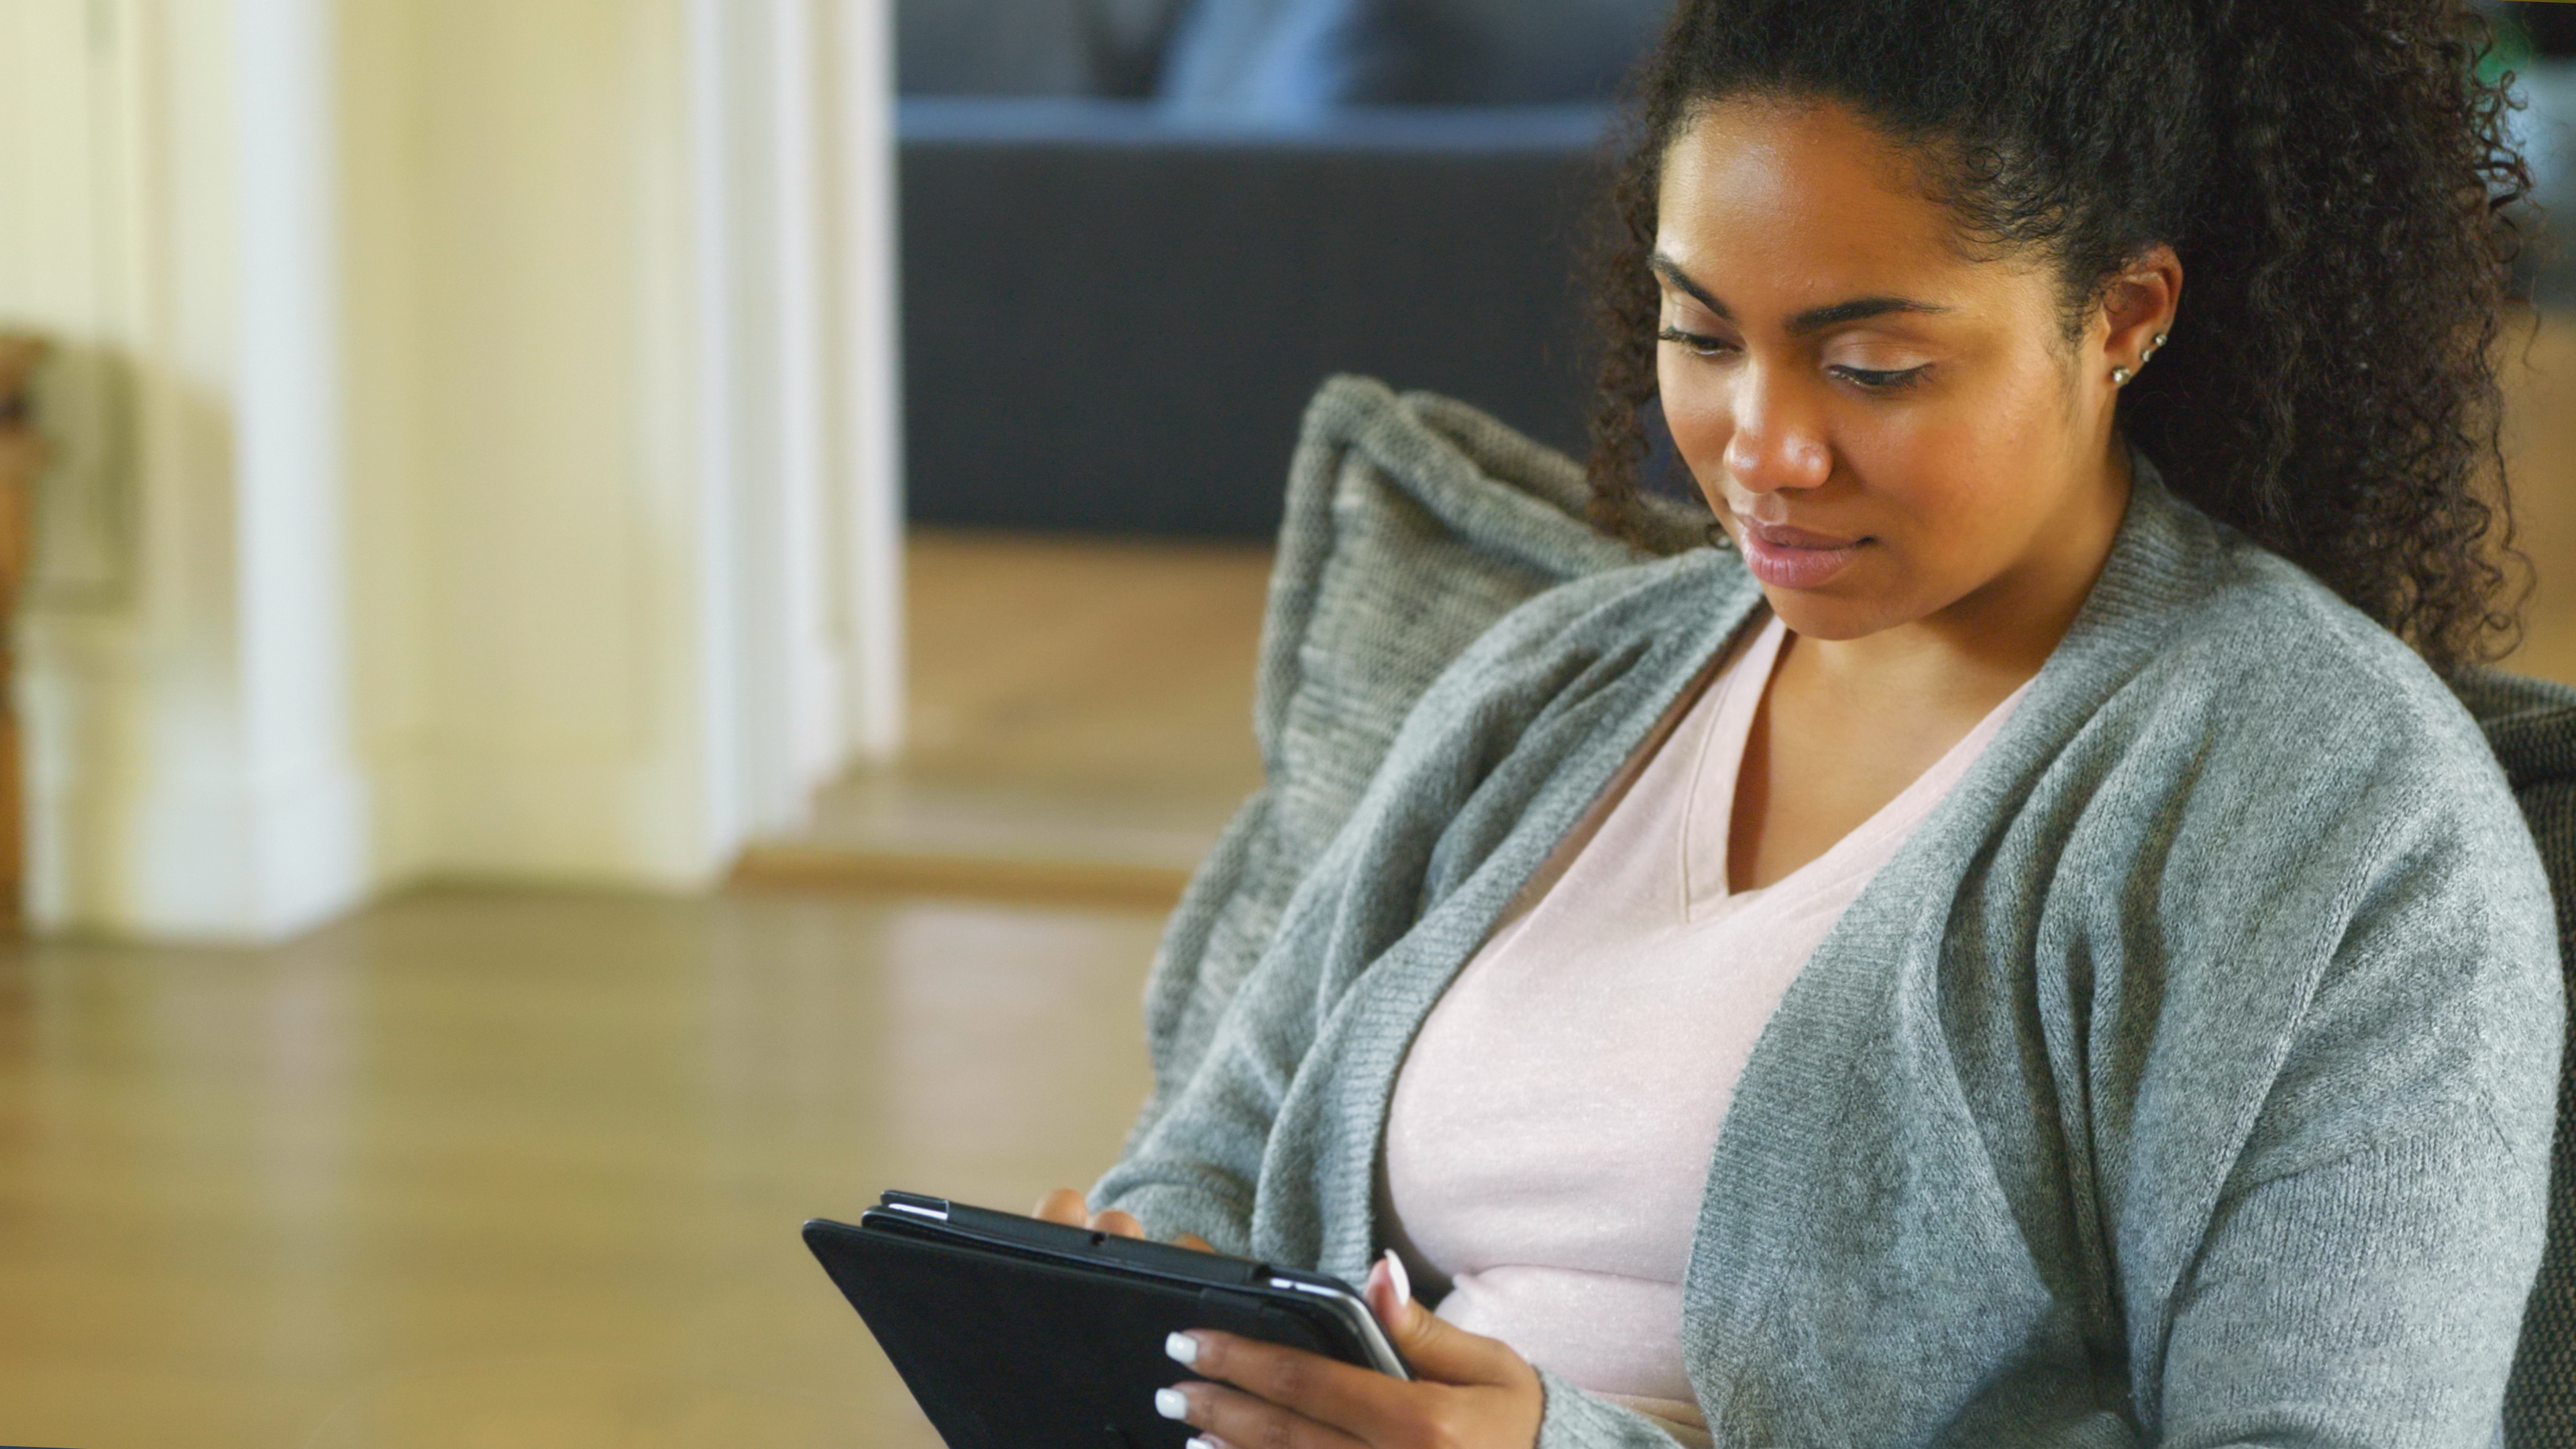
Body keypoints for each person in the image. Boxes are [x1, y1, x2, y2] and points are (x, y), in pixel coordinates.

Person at [1038, 0, 2565, 1444]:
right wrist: (1135, 1296)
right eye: (1701, 337)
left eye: (1868, 368)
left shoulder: (2335, 816)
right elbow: (1217, 1149)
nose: (1760, 450)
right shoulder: (1560, 681)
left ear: (2123, 316)